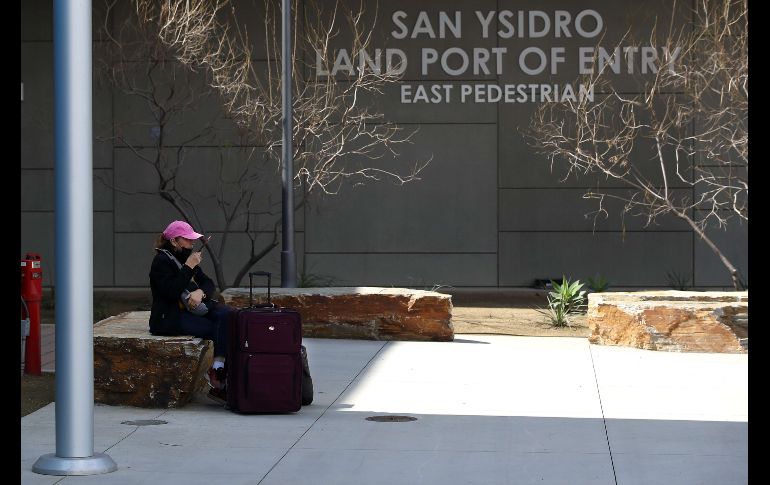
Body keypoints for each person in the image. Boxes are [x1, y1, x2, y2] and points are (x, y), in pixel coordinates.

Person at [148, 220, 231, 404]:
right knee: (217, 329)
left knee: (227, 315)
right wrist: (188, 267)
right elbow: (170, 292)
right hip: (169, 317)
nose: (192, 244)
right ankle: (221, 386)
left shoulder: (185, 258)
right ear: (174, 241)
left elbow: (209, 283)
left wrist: (200, 292)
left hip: (192, 310)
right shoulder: (161, 261)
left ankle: (217, 368)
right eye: (188, 240)